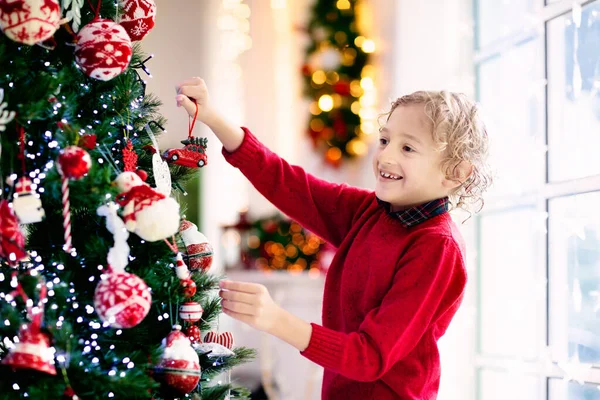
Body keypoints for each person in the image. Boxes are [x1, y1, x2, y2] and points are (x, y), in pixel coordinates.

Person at [175, 77, 491, 399]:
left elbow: (369, 357)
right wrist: (212, 115)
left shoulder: (437, 248)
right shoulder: (370, 211)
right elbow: (287, 183)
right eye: (384, 141)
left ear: (455, 173)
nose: (385, 157)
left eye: (407, 147)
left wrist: (274, 319)